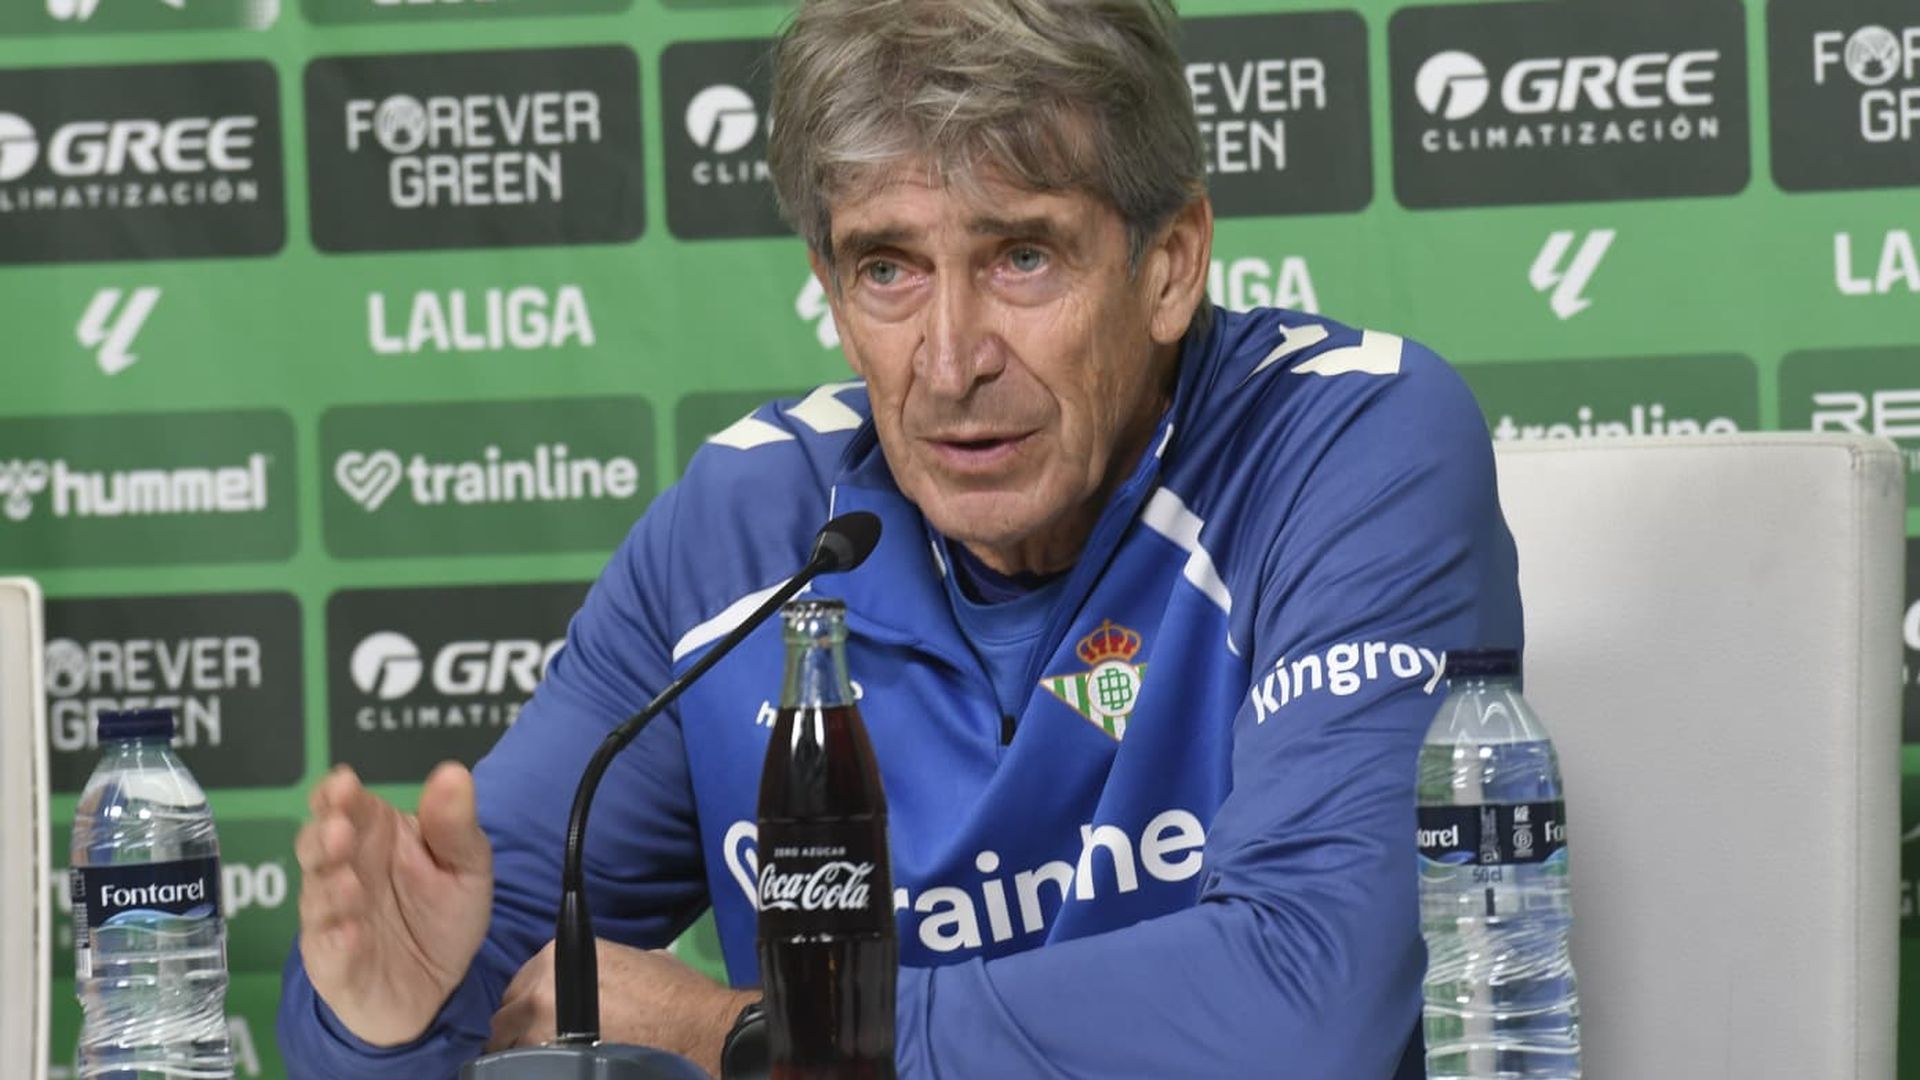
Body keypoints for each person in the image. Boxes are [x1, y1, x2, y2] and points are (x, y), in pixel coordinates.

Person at [279, 0, 1522, 1076]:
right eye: (889, 270)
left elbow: (1308, 1010)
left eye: (1022, 256)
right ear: (829, 287)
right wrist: (381, 1025)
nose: (950, 362)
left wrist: (760, 1042)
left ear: (1171, 263)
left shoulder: (1346, 446)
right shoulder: (743, 533)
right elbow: (454, 983)